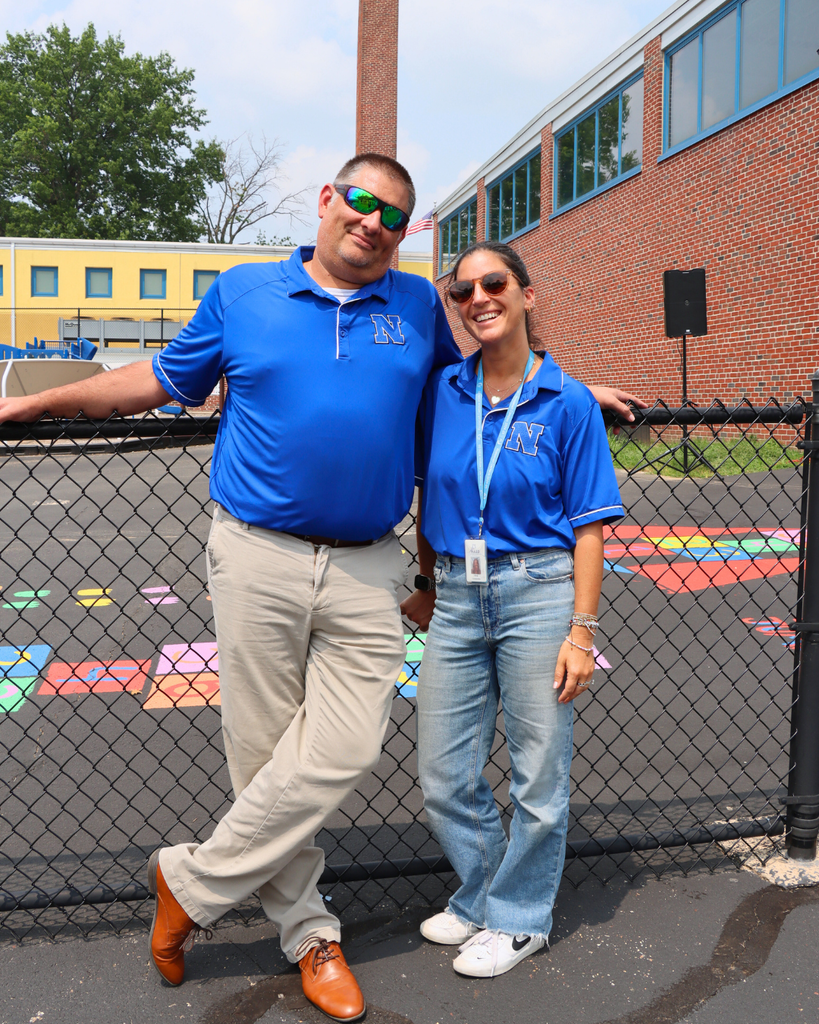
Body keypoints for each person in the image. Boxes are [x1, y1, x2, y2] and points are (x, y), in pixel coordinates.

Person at [0, 156, 642, 1021]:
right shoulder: (243, 293)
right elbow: (156, 381)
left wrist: (570, 392)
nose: (375, 221)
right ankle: (309, 934)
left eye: (396, 216)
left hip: (368, 562)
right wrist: (37, 405)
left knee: (343, 748)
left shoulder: (418, 304)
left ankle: (186, 881)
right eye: (362, 201)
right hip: (256, 556)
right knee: (264, 759)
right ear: (328, 202)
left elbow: (494, 361)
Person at [401, 240, 624, 979]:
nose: (475, 299)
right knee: (442, 769)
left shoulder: (566, 403)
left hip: (538, 590)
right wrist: (428, 581)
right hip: (459, 598)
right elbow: (430, 491)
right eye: (460, 291)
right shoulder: (442, 392)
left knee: (537, 773)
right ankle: (481, 891)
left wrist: (580, 633)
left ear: (527, 294)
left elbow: (589, 525)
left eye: (492, 283)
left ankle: (520, 917)